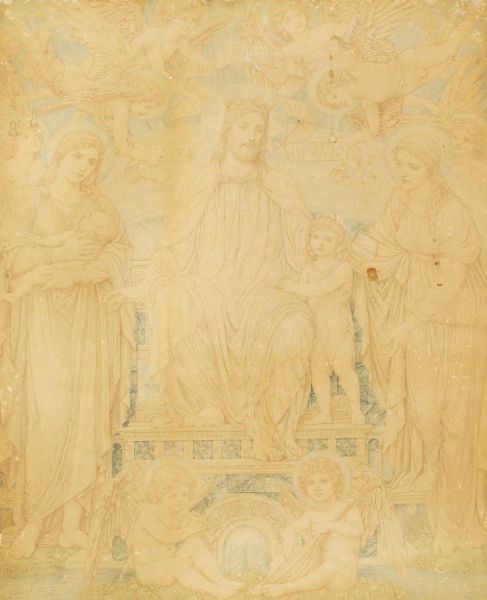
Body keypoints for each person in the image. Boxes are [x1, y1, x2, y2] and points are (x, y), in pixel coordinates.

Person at [106, 98, 314, 461]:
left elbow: (305, 248)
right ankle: (206, 405)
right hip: (209, 288)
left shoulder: (280, 186)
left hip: (265, 292)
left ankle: (267, 425)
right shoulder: (201, 182)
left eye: (259, 129)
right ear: (227, 131)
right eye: (244, 127)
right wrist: (145, 285)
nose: (252, 136)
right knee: (176, 300)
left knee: (296, 326)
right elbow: (174, 245)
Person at [0, 129, 132, 558]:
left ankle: (73, 525)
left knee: (85, 416)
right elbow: (13, 259)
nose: (83, 167)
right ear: (59, 156)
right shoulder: (28, 200)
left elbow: (119, 254)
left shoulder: (100, 205)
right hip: (41, 319)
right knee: (45, 416)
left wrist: (80, 271)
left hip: (88, 319)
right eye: (77, 157)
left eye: (92, 162)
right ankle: (33, 523)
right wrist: (61, 252)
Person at [352, 134, 487, 554]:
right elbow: (379, 246)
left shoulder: (450, 209)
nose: (404, 173)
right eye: (400, 165)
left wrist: (411, 320)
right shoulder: (400, 200)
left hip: (454, 323)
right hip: (416, 319)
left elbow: (452, 277)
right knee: (424, 417)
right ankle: (435, 507)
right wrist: (366, 264)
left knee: (456, 426)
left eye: (413, 166)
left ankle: (458, 526)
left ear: (431, 168)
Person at [278, 215, 364, 425]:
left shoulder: (343, 268)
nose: (320, 243)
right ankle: (325, 412)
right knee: (317, 370)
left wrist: (291, 287)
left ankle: (356, 410)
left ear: (339, 244)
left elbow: (320, 289)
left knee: (343, 368)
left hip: (337, 327)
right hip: (314, 327)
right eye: (316, 238)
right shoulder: (309, 269)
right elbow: (300, 297)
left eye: (328, 239)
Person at [252, 456, 363, 597]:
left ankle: (285, 588)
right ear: (305, 488)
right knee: (280, 558)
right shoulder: (312, 514)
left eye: (324, 481)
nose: (317, 488)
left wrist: (331, 525)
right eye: (311, 483)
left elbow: (358, 530)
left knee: (330, 567)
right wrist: (288, 542)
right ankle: (267, 584)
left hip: (341, 575)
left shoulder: (347, 508)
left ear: (335, 483)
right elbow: (292, 528)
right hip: (316, 571)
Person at [134, 463, 244, 598]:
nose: (180, 500)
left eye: (184, 494)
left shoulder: (178, 512)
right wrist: (191, 529)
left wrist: (200, 529)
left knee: (195, 543)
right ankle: (215, 590)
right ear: (159, 495)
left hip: (169, 561)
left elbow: (192, 533)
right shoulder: (148, 513)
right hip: (149, 571)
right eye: (173, 495)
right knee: (177, 564)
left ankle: (221, 581)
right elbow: (166, 537)